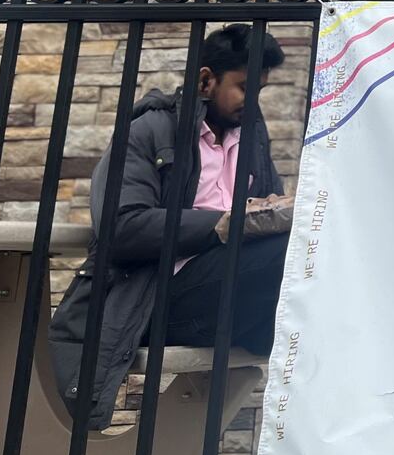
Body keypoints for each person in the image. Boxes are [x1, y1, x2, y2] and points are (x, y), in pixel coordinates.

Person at [49, 25, 294, 429]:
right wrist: (226, 223)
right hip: (154, 301)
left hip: (228, 296)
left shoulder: (250, 136)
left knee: (315, 245)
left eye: (260, 92)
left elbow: (266, 216)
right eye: (243, 88)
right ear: (205, 79)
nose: (252, 104)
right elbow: (121, 227)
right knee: (288, 251)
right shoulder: (150, 130)